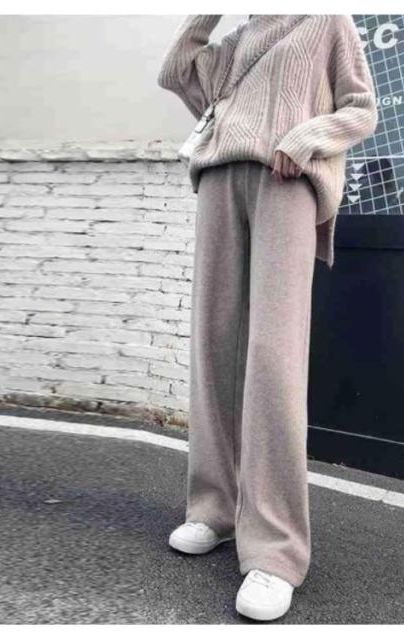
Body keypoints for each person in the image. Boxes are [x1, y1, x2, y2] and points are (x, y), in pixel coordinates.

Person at [157, 14, 378, 621]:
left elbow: (361, 108)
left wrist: (308, 137)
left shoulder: (326, 19)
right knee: (214, 347)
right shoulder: (238, 39)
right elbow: (175, 73)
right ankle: (214, 509)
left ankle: (275, 551)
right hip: (218, 179)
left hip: (287, 179)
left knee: (273, 356)